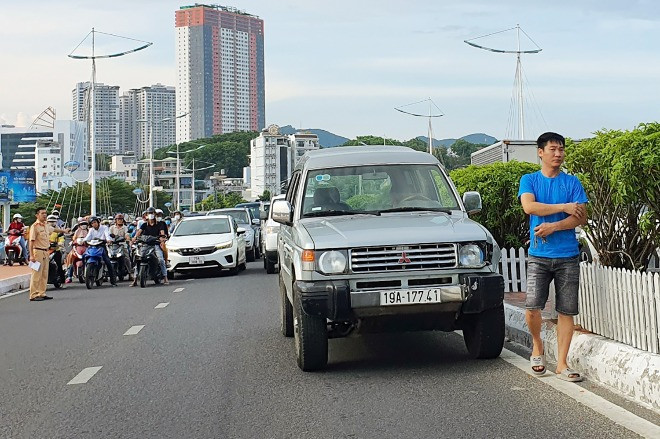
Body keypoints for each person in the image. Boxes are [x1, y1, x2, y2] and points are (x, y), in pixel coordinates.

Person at [518, 132, 588, 382]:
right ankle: (537, 346)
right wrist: (563, 208)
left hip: (568, 255)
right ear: (541, 152)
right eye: (553, 149)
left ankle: (561, 363)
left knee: (566, 311)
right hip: (539, 254)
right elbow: (530, 207)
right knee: (532, 306)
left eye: (561, 150)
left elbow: (581, 217)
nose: (558, 154)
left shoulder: (572, 183)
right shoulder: (530, 180)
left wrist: (554, 226)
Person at [28, 207, 69, 301]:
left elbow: (54, 230)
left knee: (44, 274)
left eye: (45, 213)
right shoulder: (35, 226)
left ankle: (42, 293)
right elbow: (31, 242)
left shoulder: (45, 225)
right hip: (37, 251)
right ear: (37, 215)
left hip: (46, 251)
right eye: (42, 213)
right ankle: (33, 295)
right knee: (36, 274)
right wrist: (31, 255)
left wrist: (64, 231)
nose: (44, 215)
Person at [131, 207, 169, 286]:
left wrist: (162, 239)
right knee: (138, 260)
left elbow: (162, 233)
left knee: (161, 260)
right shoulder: (144, 225)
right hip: (145, 245)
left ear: (155, 214)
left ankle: (165, 277)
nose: (151, 215)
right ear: (146, 215)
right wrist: (134, 239)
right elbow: (138, 233)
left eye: (152, 213)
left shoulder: (160, 224)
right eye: (149, 213)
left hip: (155, 245)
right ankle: (135, 280)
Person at [83, 216, 117, 286]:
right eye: (92, 223)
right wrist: (82, 241)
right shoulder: (91, 230)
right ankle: (84, 273)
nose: (94, 224)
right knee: (84, 257)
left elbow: (107, 235)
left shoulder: (104, 227)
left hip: (101, 246)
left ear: (98, 222)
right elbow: (88, 237)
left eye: (95, 222)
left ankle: (113, 281)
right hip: (92, 247)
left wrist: (108, 240)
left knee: (108, 262)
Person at [109, 213, 133, 281]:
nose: (120, 221)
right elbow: (108, 235)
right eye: (118, 219)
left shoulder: (125, 227)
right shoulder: (112, 228)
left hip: (122, 245)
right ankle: (105, 274)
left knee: (127, 258)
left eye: (121, 219)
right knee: (107, 257)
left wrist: (127, 238)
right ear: (115, 220)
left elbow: (127, 234)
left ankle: (130, 273)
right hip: (113, 245)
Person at [65, 217, 89, 283]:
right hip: (77, 247)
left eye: (85, 224)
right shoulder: (77, 231)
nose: (83, 225)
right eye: (82, 224)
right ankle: (69, 276)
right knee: (70, 257)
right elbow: (73, 238)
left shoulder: (89, 231)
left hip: (87, 247)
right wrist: (73, 242)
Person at [47, 214, 66, 283]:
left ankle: (62, 280)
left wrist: (60, 243)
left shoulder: (58, 230)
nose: (52, 223)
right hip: (46, 250)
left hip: (56, 249)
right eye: (50, 221)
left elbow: (61, 238)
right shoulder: (45, 230)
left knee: (59, 264)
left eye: (53, 221)